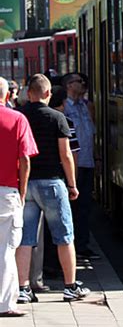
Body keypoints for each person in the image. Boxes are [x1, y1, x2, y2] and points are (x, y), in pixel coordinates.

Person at [15, 74, 90, 303]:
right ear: (48, 94)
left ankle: (23, 289)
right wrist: (72, 184)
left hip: (27, 184)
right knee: (65, 236)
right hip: (53, 183)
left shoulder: (21, 117)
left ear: (29, 94)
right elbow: (66, 155)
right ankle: (70, 287)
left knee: (26, 238)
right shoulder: (58, 118)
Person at [0, 77, 38, 317]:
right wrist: (22, 191)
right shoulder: (17, 119)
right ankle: (5, 304)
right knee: (6, 250)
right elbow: (25, 159)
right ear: (6, 95)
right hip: (7, 191)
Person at [63, 73, 99, 260]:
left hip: (87, 162)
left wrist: (96, 158)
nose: (84, 84)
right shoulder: (64, 108)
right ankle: (72, 246)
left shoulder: (86, 106)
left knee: (85, 207)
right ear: (69, 85)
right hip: (72, 165)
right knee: (72, 207)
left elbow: (91, 134)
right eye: (79, 82)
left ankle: (82, 245)